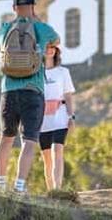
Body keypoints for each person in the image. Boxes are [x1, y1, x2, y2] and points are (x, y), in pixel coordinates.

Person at [0, 0, 60, 194]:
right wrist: (36, 20)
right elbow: (56, 40)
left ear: (14, 8)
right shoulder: (41, 28)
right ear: (32, 6)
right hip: (33, 90)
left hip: (9, 91)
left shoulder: (4, 29)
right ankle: (20, 186)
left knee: (6, 138)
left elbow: (0, 48)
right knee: (29, 140)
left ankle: (0, 184)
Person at [38, 44, 76, 190]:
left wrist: (71, 117)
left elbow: (68, 95)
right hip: (42, 121)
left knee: (57, 150)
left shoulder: (63, 72)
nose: (50, 50)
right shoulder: (36, 74)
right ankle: (50, 192)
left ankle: (57, 189)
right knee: (47, 158)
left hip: (60, 118)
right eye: (47, 47)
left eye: (53, 47)